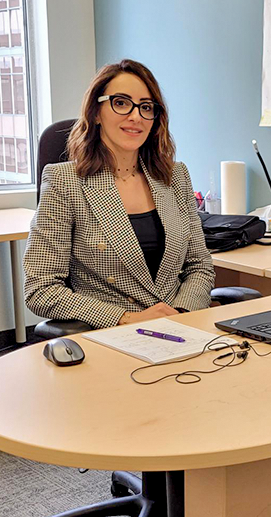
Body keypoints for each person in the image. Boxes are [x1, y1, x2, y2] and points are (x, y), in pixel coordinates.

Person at [24, 59, 215, 329]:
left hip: (180, 329)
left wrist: (180, 314)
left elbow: (199, 267)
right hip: (110, 335)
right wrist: (129, 319)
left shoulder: (175, 176)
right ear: (96, 112)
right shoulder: (65, 182)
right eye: (121, 103)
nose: (136, 116)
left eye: (146, 107)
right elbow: (41, 289)